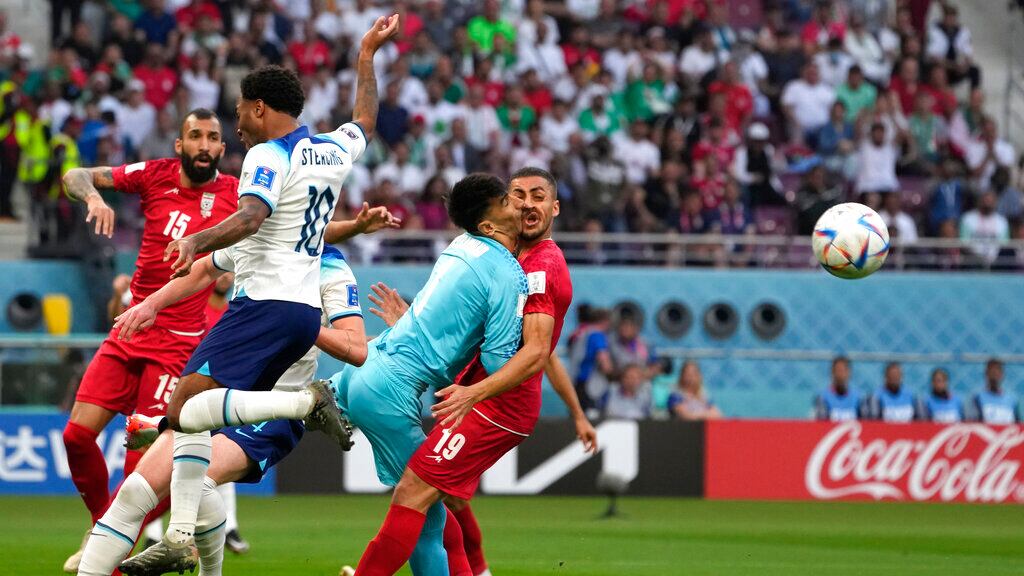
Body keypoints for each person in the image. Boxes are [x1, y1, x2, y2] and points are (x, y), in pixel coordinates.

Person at [111, 15, 398, 563]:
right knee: (189, 411)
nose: (236, 120)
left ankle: (304, 402)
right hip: (296, 304)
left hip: (265, 301)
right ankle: (178, 536)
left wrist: (196, 239)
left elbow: (249, 216)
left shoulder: (268, 156)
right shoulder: (333, 150)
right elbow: (364, 116)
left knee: (188, 403)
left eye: (240, 108)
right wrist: (366, 56)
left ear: (260, 107)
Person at [77, 238, 378, 576]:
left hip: (273, 408)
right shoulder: (259, 237)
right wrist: (150, 305)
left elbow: (355, 346)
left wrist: (300, 323)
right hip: (217, 394)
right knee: (134, 491)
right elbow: (205, 268)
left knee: (197, 480)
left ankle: (189, 546)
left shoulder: (331, 266)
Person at [345, 167, 584, 576]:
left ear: (555, 208)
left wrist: (474, 393)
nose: (527, 203)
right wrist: (412, 322)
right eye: (518, 194)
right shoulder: (509, 257)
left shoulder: (541, 266)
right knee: (435, 502)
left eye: (538, 196)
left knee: (414, 492)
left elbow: (537, 353)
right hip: (479, 397)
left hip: (499, 407)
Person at [58, 107, 240, 574]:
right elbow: (75, 175)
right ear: (179, 144)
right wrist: (93, 199)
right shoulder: (153, 175)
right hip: (131, 327)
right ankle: (103, 529)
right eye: (194, 136)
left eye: (212, 137)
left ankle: (104, 552)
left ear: (222, 147)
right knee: (77, 437)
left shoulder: (239, 195)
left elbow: (288, 228)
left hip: (178, 345)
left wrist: (353, 228)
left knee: (142, 472)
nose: (203, 145)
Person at [971, 358, 1020, 424]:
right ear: (986, 374)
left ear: (1002, 374)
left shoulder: (1012, 400)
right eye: (991, 371)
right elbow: (972, 423)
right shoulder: (978, 398)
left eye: (997, 370)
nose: (994, 373)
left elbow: (1017, 424)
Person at [814, 356, 861, 421]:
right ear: (832, 373)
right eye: (838, 371)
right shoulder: (823, 398)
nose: (840, 375)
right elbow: (821, 423)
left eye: (843, 371)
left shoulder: (857, 397)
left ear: (849, 373)